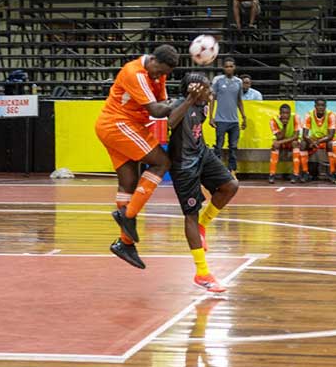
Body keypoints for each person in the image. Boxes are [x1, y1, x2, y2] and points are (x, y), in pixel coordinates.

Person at [95, 45, 180, 269]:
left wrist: (172, 104)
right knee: (162, 162)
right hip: (118, 124)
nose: (158, 76)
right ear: (151, 59)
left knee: (129, 182)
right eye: (157, 71)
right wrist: (185, 101)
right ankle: (128, 215)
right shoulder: (134, 72)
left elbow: (164, 104)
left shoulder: (157, 74)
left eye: (163, 74)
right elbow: (157, 110)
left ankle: (125, 243)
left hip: (117, 125)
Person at [167, 73, 239, 293]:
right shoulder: (180, 104)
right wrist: (189, 98)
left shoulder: (203, 107)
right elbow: (170, 122)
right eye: (207, 89)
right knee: (190, 213)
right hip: (184, 165)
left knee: (231, 186)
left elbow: (196, 129)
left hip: (202, 154)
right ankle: (202, 273)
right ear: (195, 91)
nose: (211, 93)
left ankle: (203, 224)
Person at [210, 58, 247, 176]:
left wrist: (244, 117)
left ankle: (232, 170)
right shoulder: (218, 81)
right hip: (220, 120)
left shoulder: (238, 82)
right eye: (227, 66)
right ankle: (217, 171)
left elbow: (239, 100)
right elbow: (212, 99)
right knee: (218, 146)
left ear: (234, 67)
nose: (229, 68)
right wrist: (211, 116)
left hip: (234, 121)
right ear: (223, 68)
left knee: (233, 147)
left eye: (231, 66)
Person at [302, 98, 336, 181]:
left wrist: (317, 142)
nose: (321, 107)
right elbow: (305, 135)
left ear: (325, 106)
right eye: (318, 105)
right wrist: (312, 142)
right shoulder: (309, 114)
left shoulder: (331, 115)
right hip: (314, 140)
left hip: (325, 140)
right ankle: (305, 172)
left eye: (323, 105)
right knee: (303, 144)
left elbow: (331, 135)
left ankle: (332, 172)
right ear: (315, 106)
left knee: (331, 144)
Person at [268, 104, 303, 184]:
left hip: (292, 141)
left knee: (295, 143)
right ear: (280, 113)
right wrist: (284, 126)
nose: (285, 115)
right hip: (282, 140)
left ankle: (296, 174)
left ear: (290, 113)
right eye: (283, 113)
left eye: (287, 113)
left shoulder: (295, 118)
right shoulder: (273, 120)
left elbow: (296, 136)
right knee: (275, 146)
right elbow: (279, 137)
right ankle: (272, 174)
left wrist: (279, 142)